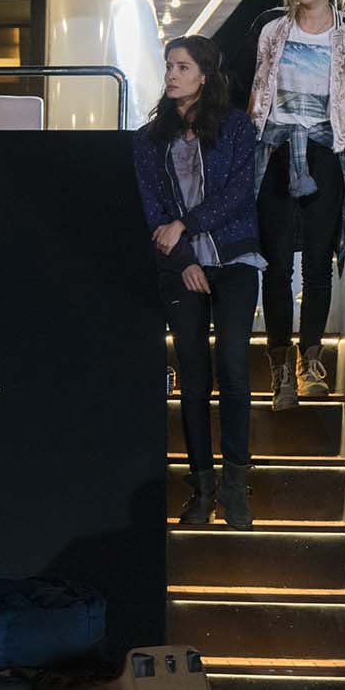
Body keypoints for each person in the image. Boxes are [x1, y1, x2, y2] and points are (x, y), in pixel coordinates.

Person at [242, 0, 345, 409]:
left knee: (318, 262)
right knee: (277, 262)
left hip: (325, 148)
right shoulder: (270, 26)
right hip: (274, 149)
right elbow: (245, 86)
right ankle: (280, 364)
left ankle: (311, 361)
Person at [132, 36, 264, 529]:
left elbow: (239, 194)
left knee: (232, 366)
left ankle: (235, 487)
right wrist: (185, 258)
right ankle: (202, 489)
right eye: (170, 66)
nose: (172, 74)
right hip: (181, 267)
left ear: (205, 76)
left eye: (182, 67)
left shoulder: (236, 126)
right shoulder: (149, 139)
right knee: (192, 376)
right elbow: (155, 213)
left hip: (234, 259)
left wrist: (187, 226)